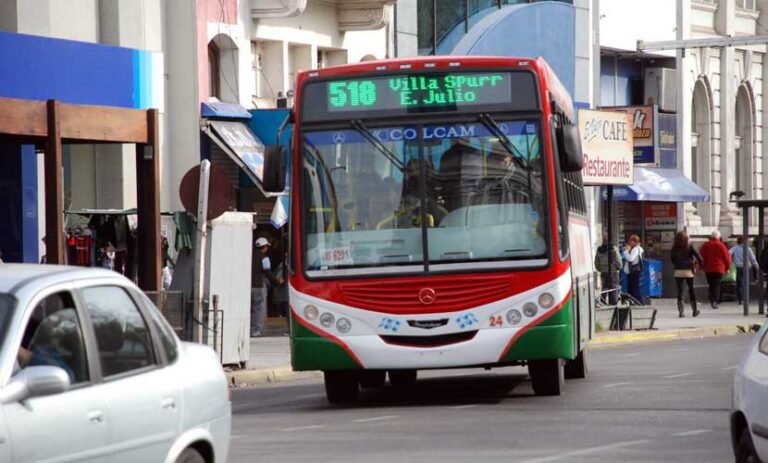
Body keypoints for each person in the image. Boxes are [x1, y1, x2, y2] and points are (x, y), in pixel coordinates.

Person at [251, 237, 283, 338]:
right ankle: (257, 330)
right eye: (266, 247)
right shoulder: (264, 258)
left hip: (248, 286)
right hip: (259, 286)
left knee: (251, 308)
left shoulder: (249, 255)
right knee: (259, 308)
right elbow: (268, 272)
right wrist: (277, 281)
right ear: (264, 247)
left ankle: (251, 329)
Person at [670, 231, 703, 318]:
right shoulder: (689, 246)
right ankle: (694, 310)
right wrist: (700, 266)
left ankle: (681, 312)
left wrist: (678, 264)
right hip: (688, 271)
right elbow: (699, 257)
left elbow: (672, 259)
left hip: (678, 270)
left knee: (680, 290)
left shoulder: (674, 248)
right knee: (691, 289)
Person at [700, 230, 731, 309]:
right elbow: (727, 258)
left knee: (711, 284)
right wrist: (728, 268)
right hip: (719, 268)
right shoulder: (721, 245)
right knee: (717, 285)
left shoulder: (706, 245)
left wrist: (703, 267)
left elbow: (702, 254)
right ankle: (714, 300)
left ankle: (711, 298)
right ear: (718, 237)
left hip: (708, 268)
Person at [729, 235, 759, 305]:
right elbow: (753, 259)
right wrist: (757, 267)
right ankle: (746, 298)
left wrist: (731, 262)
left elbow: (728, 253)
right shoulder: (748, 249)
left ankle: (740, 299)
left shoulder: (734, 248)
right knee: (746, 283)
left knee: (739, 284)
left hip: (738, 267)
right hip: (747, 268)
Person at [594, 232, 622, 304]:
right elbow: (618, 261)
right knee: (613, 289)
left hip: (603, 272)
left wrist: (601, 269)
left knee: (604, 288)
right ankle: (613, 303)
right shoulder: (613, 249)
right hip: (613, 272)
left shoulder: (599, 250)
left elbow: (596, 263)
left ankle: (603, 302)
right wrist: (618, 268)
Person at [622, 234, 644, 303]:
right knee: (632, 288)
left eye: (631, 241)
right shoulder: (636, 249)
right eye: (630, 241)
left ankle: (639, 302)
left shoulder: (635, 249)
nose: (630, 242)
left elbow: (631, 259)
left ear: (635, 242)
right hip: (634, 271)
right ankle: (634, 302)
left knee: (634, 288)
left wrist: (626, 252)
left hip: (634, 271)